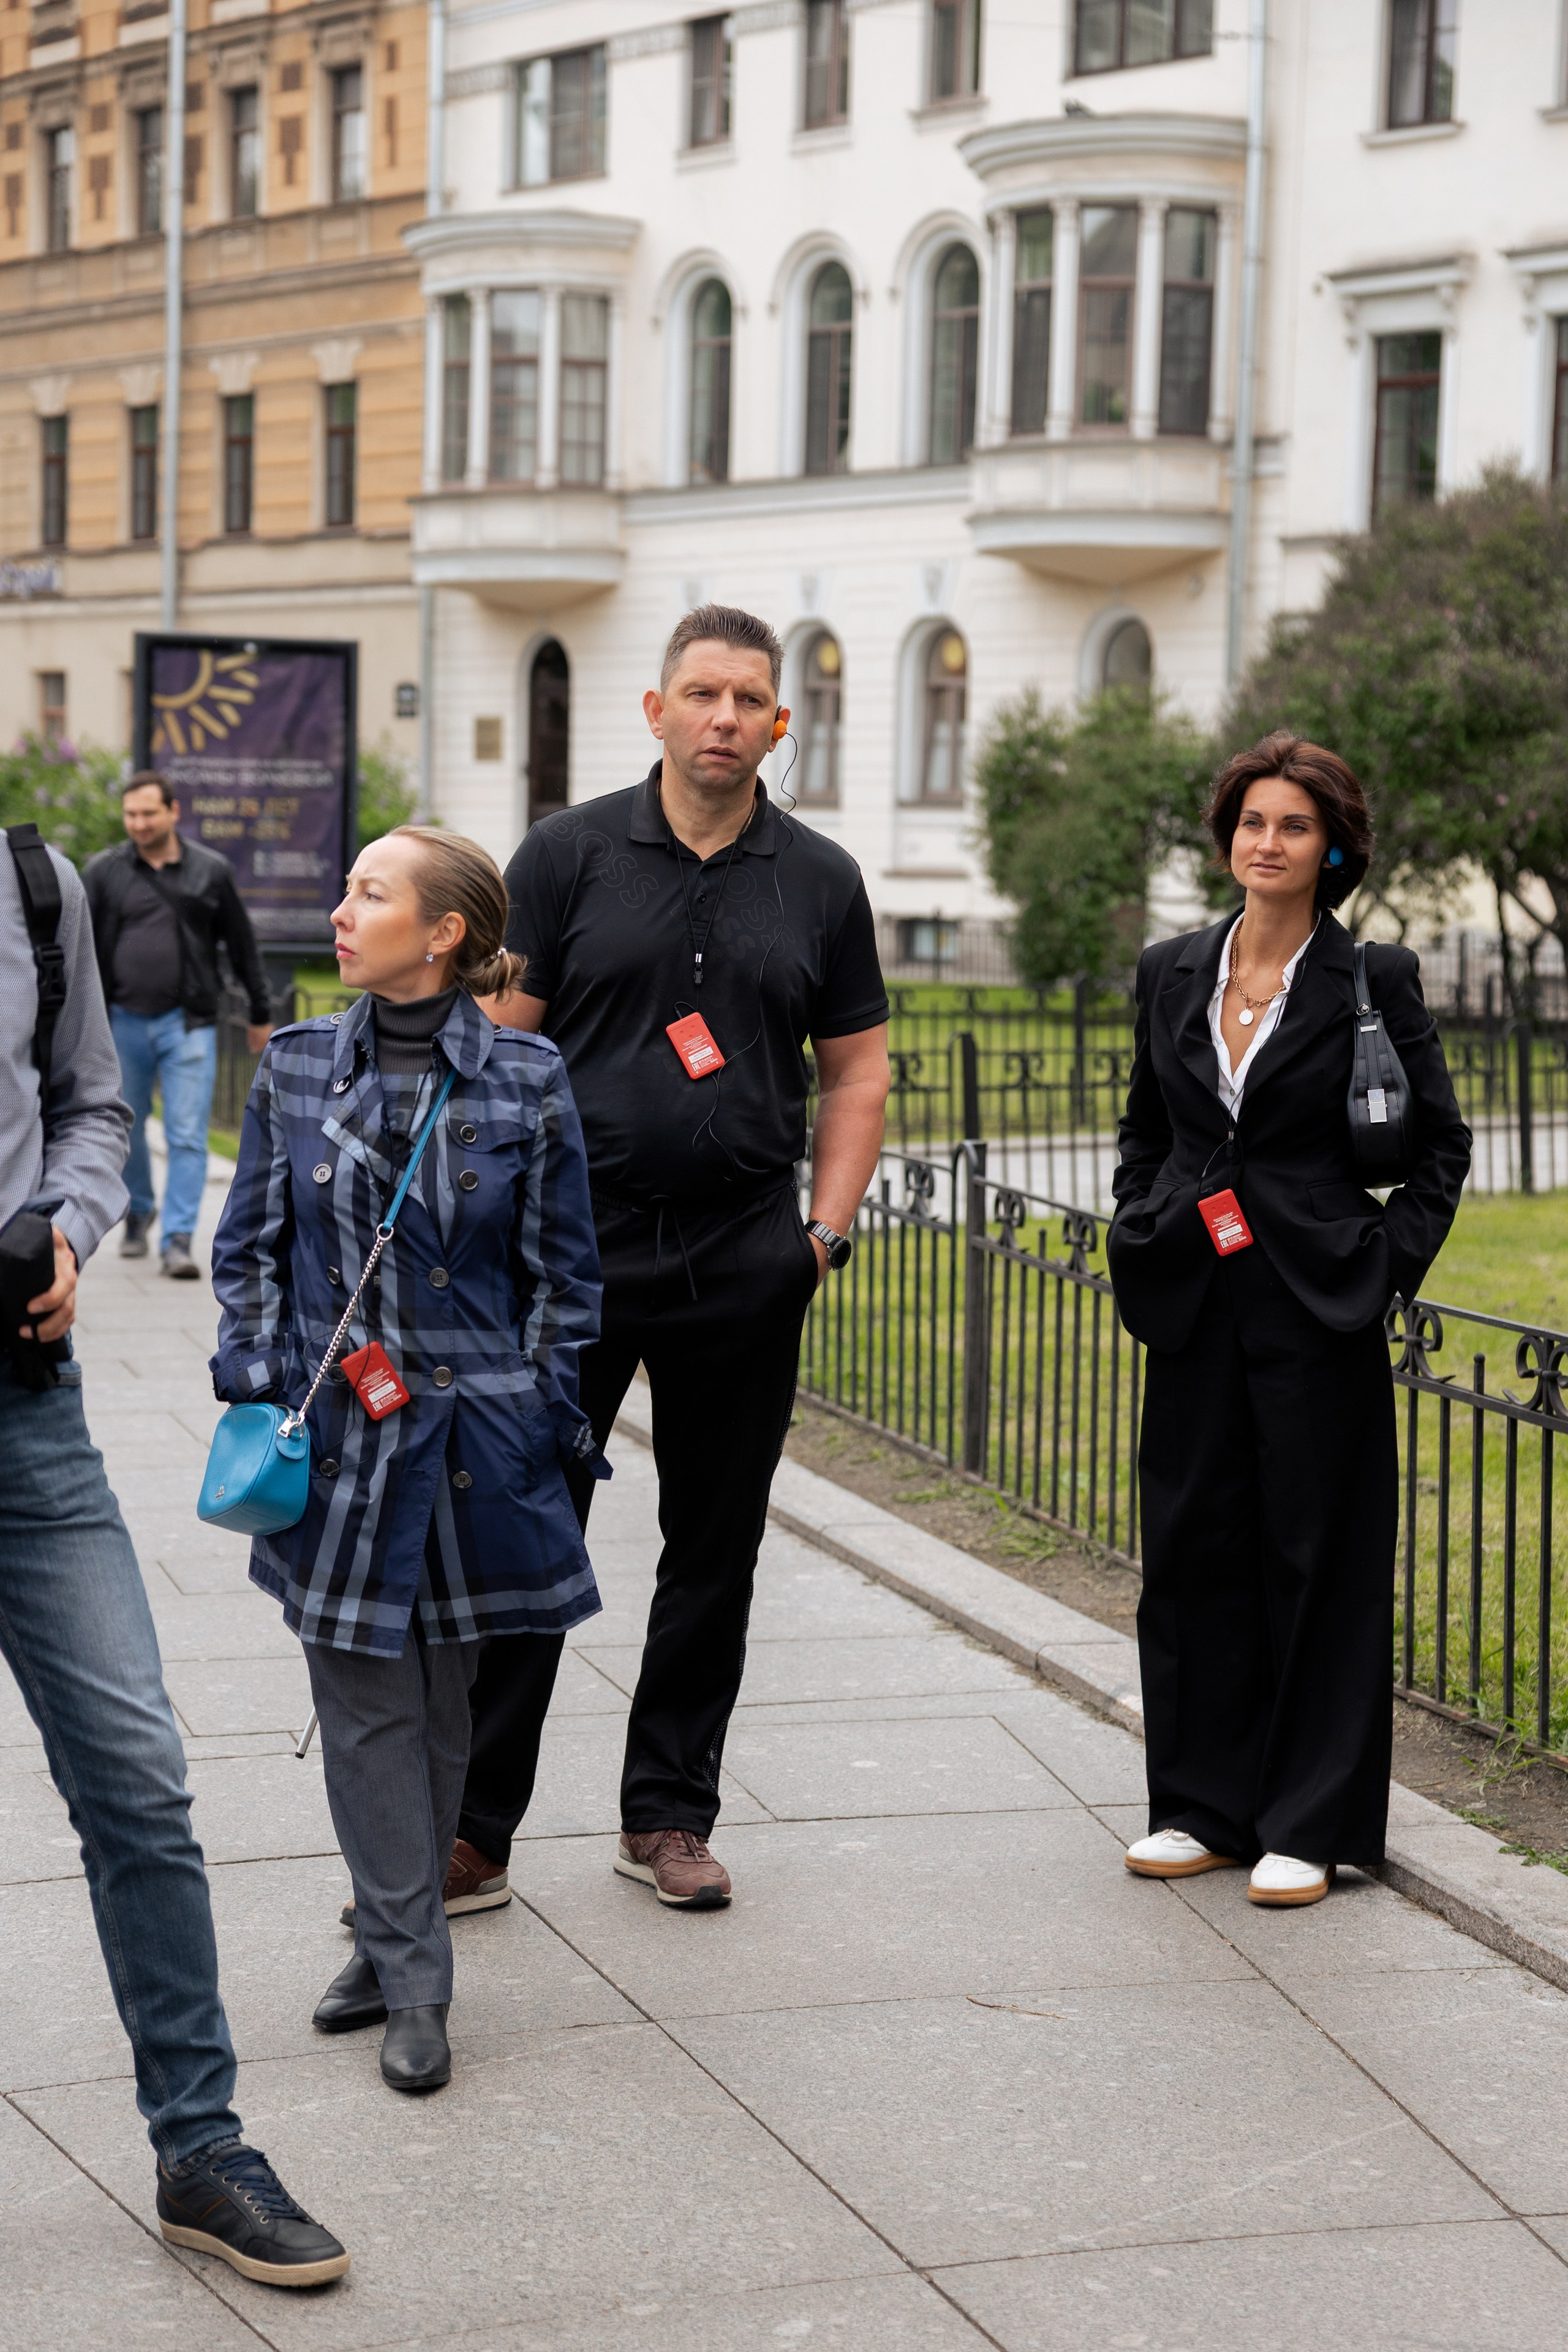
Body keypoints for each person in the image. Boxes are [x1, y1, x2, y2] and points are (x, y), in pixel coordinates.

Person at [465, 602, 891, 1912]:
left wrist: (818, 1236)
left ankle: (668, 1813)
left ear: (777, 722)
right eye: (699, 694)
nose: (722, 718)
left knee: (712, 1544)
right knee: (528, 1533)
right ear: (654, 711)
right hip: (568, 1257)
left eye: (746, 699)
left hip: (742, 1258)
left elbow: (857, 1068)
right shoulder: (567, 855)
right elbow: (493, 1047)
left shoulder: (817, 878)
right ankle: (474, 1824)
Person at [0, 824, 347, 2285]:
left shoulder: (35, 884)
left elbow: (88, 1102)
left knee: (138, 1770)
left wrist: (72, 1226)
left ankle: (200, 2144)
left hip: (26, 1409)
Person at [211, 827, 603, 2092]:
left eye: (369, 893)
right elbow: (250, 1253)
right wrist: (271, 1386)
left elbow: (564, 1280)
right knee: (367, 1708)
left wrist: (544, 1413)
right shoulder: (301, 1065)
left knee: (443, 1714)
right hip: (346, 1441)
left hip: (480, 1446)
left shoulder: (526, 1076)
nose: (339, 910)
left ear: (441, 933)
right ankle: (418, 1973)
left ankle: (386, 1947)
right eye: (345, 890)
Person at [1107, 733, 1471, 1907]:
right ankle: (1200, 1805)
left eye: (1295, 827)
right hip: (1196, 1298)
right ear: (1227, 840)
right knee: (1193, 1547)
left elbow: (1442, 1148)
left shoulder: (1377, 980)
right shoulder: (1172, 970)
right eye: (1253, 822)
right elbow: (1148, 1132)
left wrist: (1382, 1264)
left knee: (1321, 1558)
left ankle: (1311, 1822)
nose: (1269, 844)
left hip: (1319, 1302)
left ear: (1334, 849)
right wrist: (1139, 1220)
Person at [83, 771, 273, 1280]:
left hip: (188, 1022)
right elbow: (79, 946)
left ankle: (179, 1240)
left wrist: (260, 1011)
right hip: (120, 1020)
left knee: (189, 1133)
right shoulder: (103, 871)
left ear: (173, 812)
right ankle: (140, 1208)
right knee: (126, 1125)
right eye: (131, 814)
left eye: (148, 813)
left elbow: (241, 944)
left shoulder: (209, 871)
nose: (139, 823)